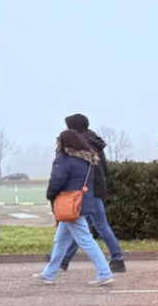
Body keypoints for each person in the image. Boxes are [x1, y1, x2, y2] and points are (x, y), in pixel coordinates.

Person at [33, 132, 116, 286]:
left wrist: (50, 194)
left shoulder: (64, 160)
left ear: (64, 143)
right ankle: (48, 274)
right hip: (79, 203)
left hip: (68, 205)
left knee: (85, 240)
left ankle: (104, 273)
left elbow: (56, 181)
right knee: (61, 240)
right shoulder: (86, 160)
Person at [54, 113, 127, 273]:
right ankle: (63, 259)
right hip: (94, 188)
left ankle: (117, 259)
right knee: (80, 225)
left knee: (92, 225)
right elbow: (103, 168)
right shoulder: (94, 141)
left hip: (86, 190)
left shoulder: (82, 143)